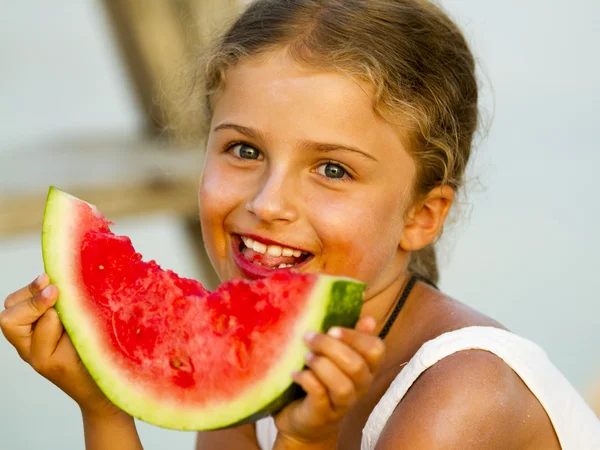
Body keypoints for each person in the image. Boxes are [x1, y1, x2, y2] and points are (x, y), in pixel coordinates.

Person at [2, 0, 600, 448]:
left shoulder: (460, 396)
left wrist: (305, 443)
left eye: (333, 168)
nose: (268, 202)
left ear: (421, 216)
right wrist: (103, 407)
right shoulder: (241, 359)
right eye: (243, 150)